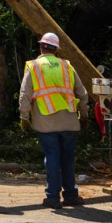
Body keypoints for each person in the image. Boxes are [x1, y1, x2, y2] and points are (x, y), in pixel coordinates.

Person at [19, 32, 89, 208]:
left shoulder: (34, 67)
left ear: (41, 46)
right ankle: (71, 196)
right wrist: (85, 115)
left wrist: (24, 117)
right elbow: (82, 93)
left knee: (52, 159)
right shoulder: (67, 66)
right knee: (67, 159)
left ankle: (53, 198)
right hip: (69, 121)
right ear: (57, 49)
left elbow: (25, 95)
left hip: (46, 122)